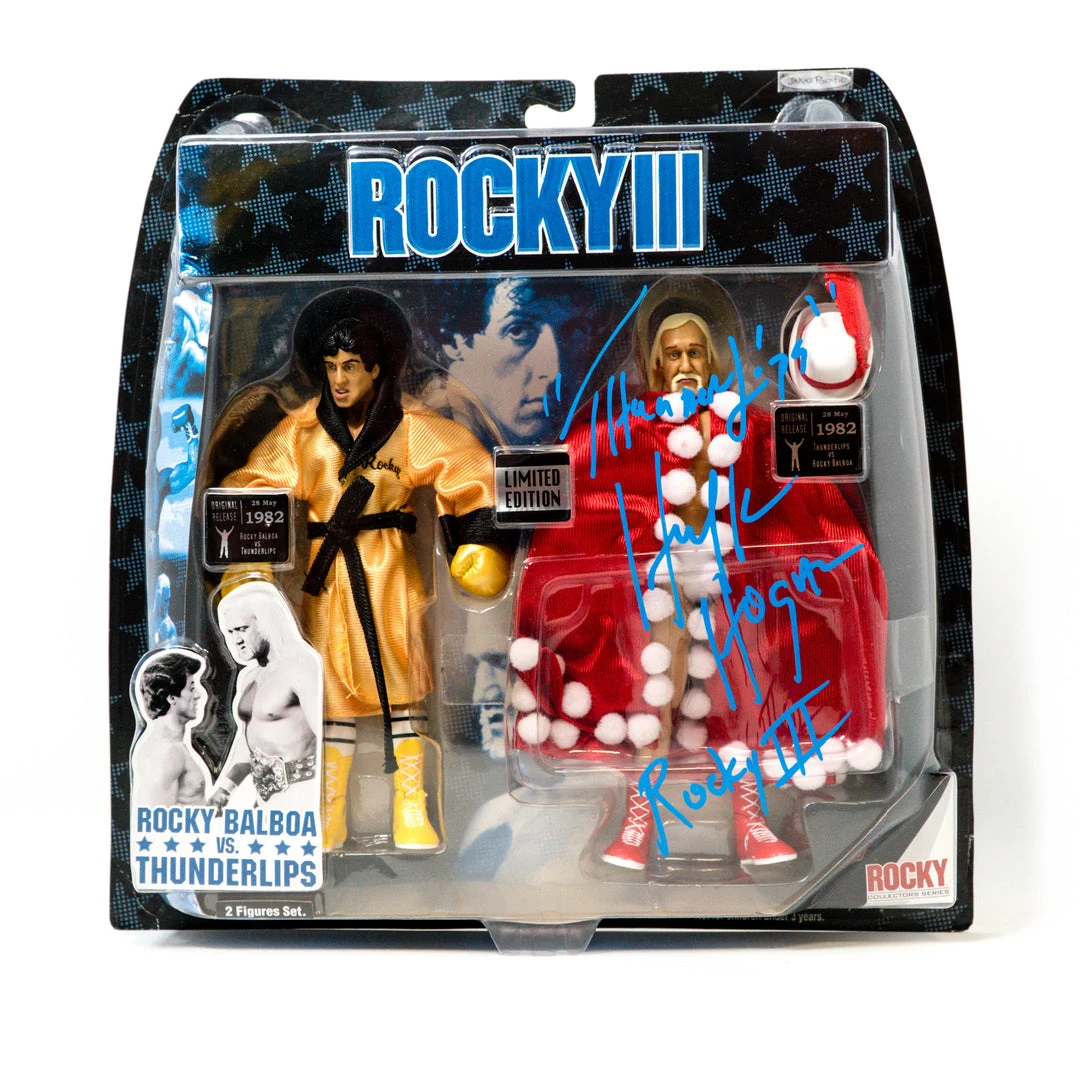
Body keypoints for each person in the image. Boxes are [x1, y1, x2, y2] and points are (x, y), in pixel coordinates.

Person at [507, 276, 889, 871]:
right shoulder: (629, 427)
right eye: (673, 355)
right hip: (657, 588)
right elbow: (578, 469)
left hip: (736, 586)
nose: (685, 365)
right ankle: (637, 820)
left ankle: (751, 821)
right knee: (651, 693)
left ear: (711, 357)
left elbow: (799, 491)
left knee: (745, 696)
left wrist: (843, 546)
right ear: (656, 364)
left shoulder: (748, 427)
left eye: (694, 352)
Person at [215, 288, 511, 851]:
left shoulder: (410, 426)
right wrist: (249, 570)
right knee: (329, 696)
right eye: (331, 367)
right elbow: (251, 487)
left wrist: (480, 545)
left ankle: (411, 807)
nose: (339, 379)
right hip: (326, 583)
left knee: (403, 694)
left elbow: (470, 468)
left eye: (351, 366)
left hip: (390, 574)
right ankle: (328, 812)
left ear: (376, 369)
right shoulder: (302, 432)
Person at [421, 276, 588, 447]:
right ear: (456, 342)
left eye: (571, 331)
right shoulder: (424, 446)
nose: (554, 371)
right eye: (518, 331)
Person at [208, 581, 321, 811]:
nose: (236, 640)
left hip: (302, 791)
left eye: (242, 629)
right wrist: (225, 788)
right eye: (230, 632)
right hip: (264, 798)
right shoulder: (249, 677)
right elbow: (249, 739)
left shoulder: (301, 665)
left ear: (267, 622)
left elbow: (324, 732)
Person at [131, 650, 211, 807]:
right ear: (172, 698)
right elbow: (155, 817)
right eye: (191, 688)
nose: (198, 695)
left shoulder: (172, 746)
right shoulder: (165, 751)